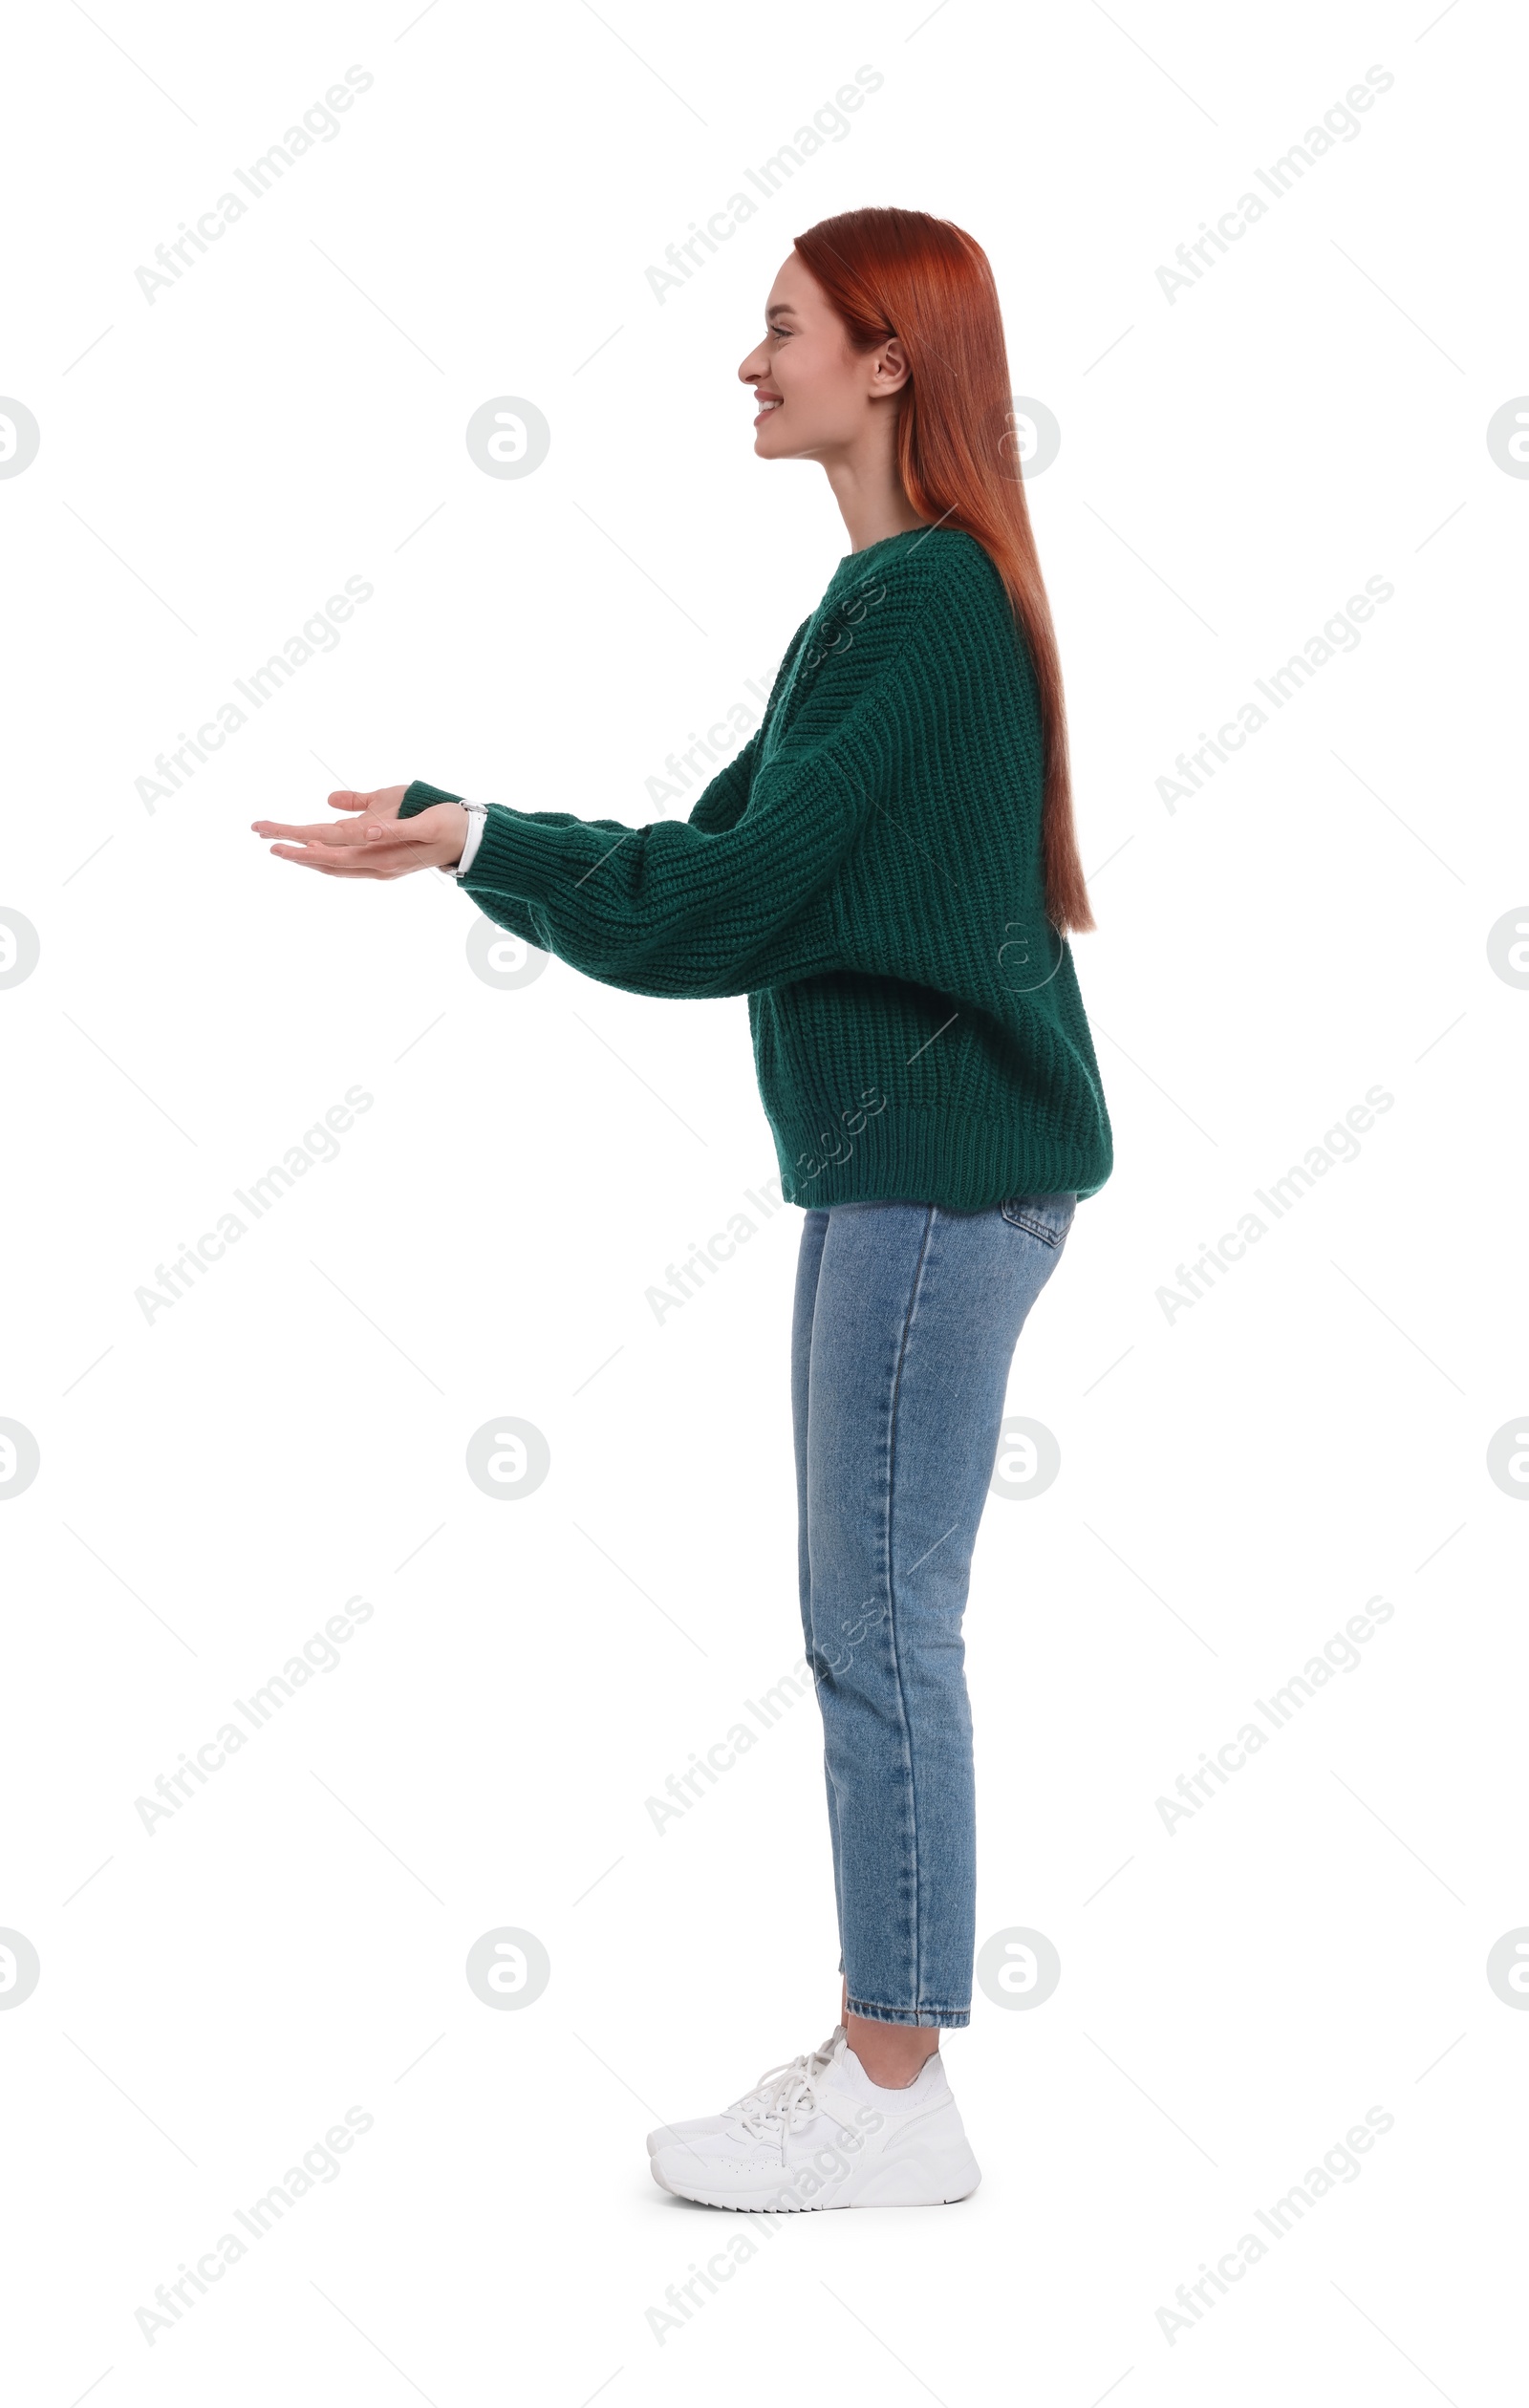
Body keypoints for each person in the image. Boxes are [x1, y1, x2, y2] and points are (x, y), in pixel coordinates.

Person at [253, 205, 1112, 2211]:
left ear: (887, 360)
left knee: (876, 1627)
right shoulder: (884, 608)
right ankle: (878, 2056)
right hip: (904, 1177)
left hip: (939, 1179)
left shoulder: (923, 608)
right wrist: (475, 836)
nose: (749, 361)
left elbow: (718, 914)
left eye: (783, 327)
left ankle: (895, 2094)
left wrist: (470, 841)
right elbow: (704, 865)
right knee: (866, 1619)